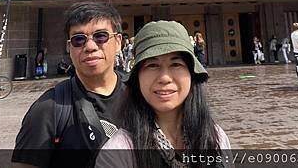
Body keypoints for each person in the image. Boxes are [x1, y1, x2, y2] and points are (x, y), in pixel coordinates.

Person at [96, 20, 231, 168]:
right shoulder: (118, 152)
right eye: (152, 65)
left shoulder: (215, 137)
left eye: (176, 64)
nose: (165, 78)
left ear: (191, 74)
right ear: (137, 78)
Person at [12, 2, 126, 168]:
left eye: (100, 36)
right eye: (78, 40)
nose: (90, 47)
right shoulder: (47, 109)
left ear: (118, 42)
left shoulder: (142, 96)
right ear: (69, 47)